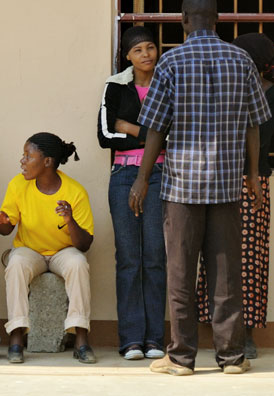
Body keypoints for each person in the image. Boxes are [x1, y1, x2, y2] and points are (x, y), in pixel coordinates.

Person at [129, 0, 272, 376]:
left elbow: (155, 127)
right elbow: (254, 125)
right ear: (217, 19)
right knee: (226, 274)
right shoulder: (241, 60)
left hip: (182, 189)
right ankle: (232, 358)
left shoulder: (171, 62)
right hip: (227, 186)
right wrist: (254, 177)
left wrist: (142, 179)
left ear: (184, 20)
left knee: (180, 272)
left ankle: (181, 358)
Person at [195, 33, 274, 359]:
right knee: (215, 252)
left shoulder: (273, 94)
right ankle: (218, 327)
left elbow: (259, 140)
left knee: (247, 257)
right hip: (215, 176)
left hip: (251, 181)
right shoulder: (225, 87)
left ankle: (244, 334)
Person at [0, 133, 96, 365]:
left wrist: (70, 220)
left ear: (47, 161)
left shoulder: (75, 191)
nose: (22, 161)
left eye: (28, 156)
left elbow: (84, 245)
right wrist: (1, 222)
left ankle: (81, 339)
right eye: (23, 155)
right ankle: (17, 338)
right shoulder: (18, 184)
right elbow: (7, 230)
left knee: (78, 264)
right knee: (16, 263)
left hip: (62, 252)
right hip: (30, 251)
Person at [96, 26, 167, 360]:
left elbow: (174, 135)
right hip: (124, 175)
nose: (146, 55)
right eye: (138, 50)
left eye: (151, 47)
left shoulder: (169, 82)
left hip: (161, 175)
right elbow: (106, 134)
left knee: (155, 256)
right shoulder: (115, 85)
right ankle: (131, 340)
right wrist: (149, 134)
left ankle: (155, 339)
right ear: (127, 56)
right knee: (128, 258)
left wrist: (132, 127)